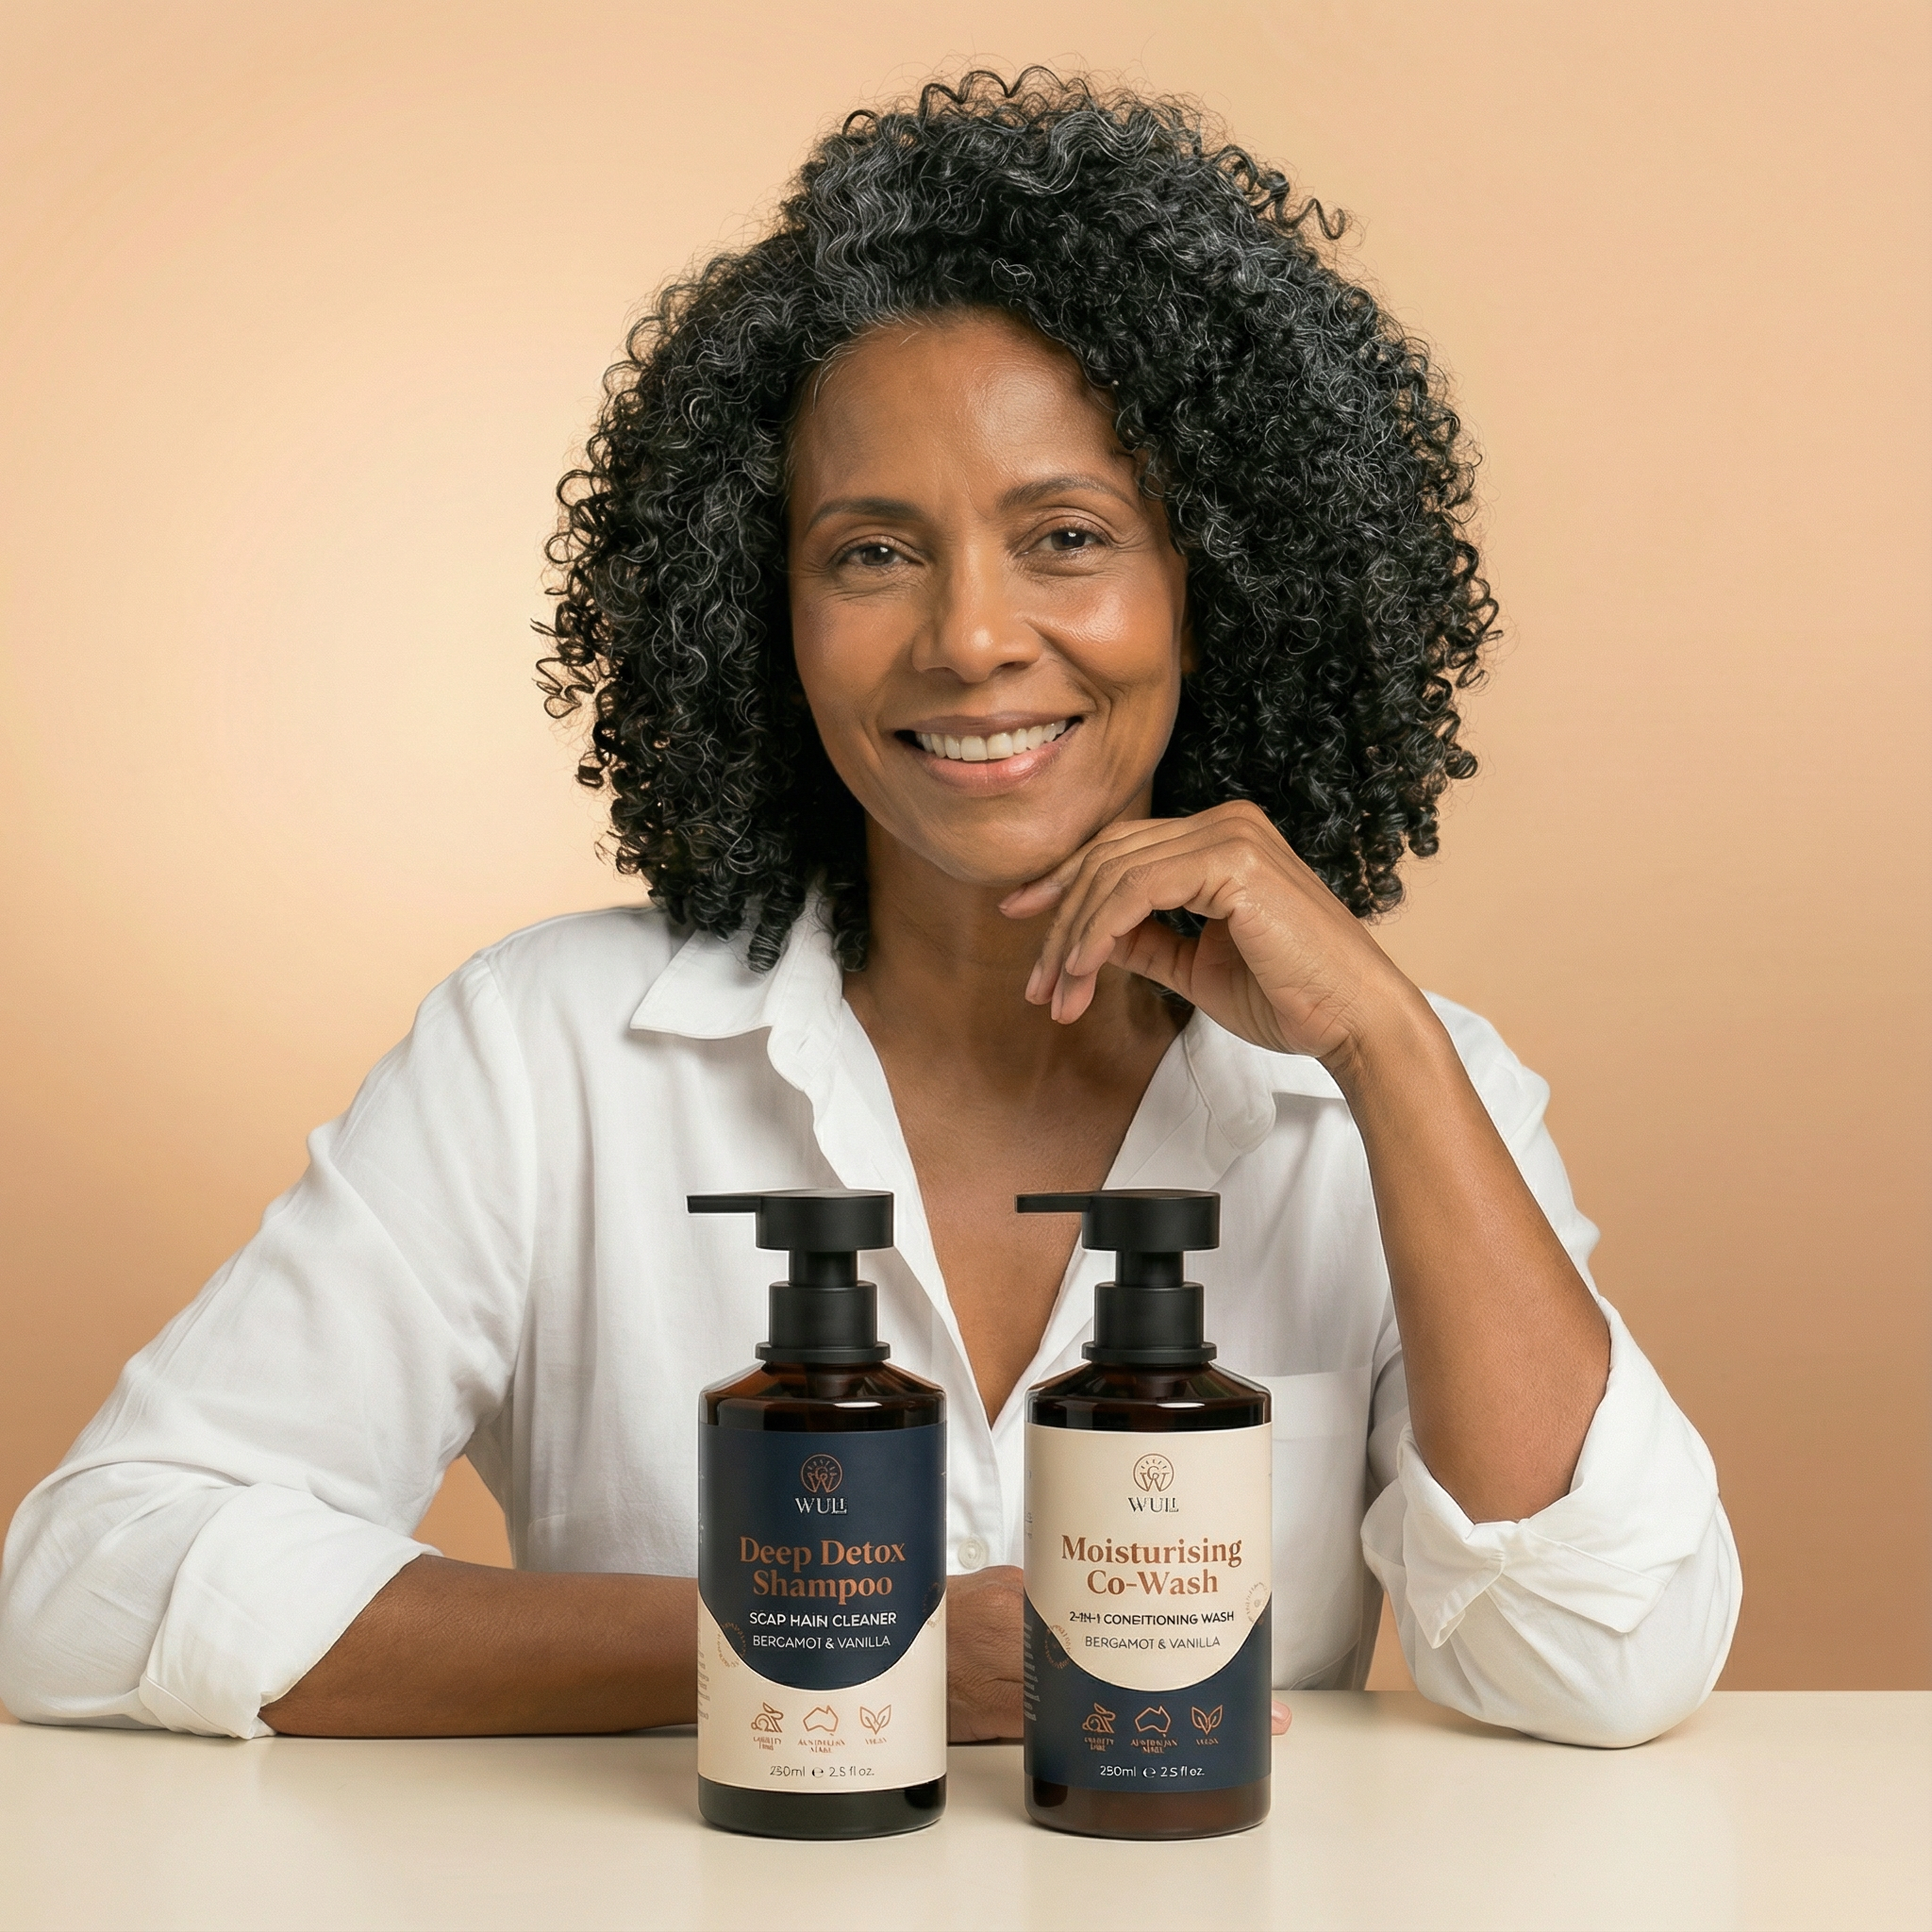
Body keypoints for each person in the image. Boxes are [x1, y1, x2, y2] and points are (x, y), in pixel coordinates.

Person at [0, 72, 1738, 1750]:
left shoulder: (1401, 1098)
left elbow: (1605, 1659)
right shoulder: (547, 1054)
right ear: (762, 611)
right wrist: (818, 1639)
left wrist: (1383, 1045)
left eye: (1069, 535)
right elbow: (89, 1581)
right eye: (872, 551)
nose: (971, 637)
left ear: (1220, 587)